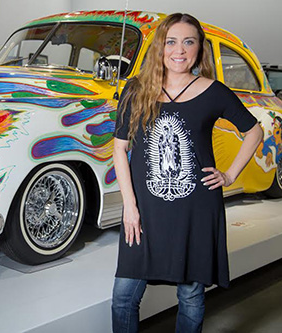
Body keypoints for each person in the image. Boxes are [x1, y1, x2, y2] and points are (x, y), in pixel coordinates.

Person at [111, 13, 263, 333]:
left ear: (199, 49)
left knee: (191, 295)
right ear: (160, 47)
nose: (179, 50)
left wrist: (230, 174)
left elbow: (253, 132)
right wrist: (129, 207)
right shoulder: (136, 89)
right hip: (145, 209)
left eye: (188, 42)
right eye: (171, 41)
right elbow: (119, 149)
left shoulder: (214, 91)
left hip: (196, 208)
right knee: (124, 296)